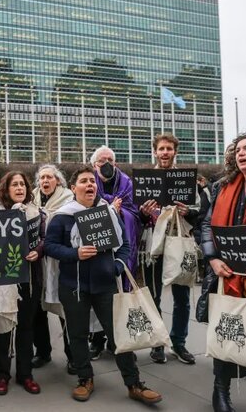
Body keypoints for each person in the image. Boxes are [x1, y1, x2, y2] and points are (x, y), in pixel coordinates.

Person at [44, 165, 162, 405]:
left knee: (118, 335)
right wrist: (75, 253)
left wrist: (116, 267)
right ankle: (84, 379)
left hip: (105, 285)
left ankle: (134, 383)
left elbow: (125, 245)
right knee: (77, 335)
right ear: (73, 187)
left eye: (92, 181)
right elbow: (50, 246)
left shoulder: (108, 212)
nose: (90, 185)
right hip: (74, 285)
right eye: (84, 181)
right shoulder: (62, 215)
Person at [201, 132, 246, 412]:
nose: (241, 153)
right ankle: (220, 392)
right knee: (226, 333)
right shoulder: (224, 186)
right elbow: (206, 225)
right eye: (238, 149)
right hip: (227, 276)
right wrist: (213, 258)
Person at [139, 133, 200, 365]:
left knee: (182, 296)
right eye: (161, 148)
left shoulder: (188, 180)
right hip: (155, 243)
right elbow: (138, 213)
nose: (165, 152)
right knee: (154, 296)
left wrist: (189, 212)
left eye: (169, 149)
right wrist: (144, 212)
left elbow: (199, 211)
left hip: (179, 241)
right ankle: (157, 344)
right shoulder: (147, 179)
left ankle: (179, 343)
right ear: (155, 151)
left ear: (175, 152)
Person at [0, 171, 43, 395]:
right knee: (4, 326)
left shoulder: (35, 212)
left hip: (29, 276)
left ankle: (25, 374)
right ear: (6, 189)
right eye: (14, 185)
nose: (19, 188)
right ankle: (1, 375)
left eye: (22, 184)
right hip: (4, 279)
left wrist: (38, 251)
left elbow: (44, 238)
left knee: (26, 327)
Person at [88, 146, 140, 359]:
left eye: (110, 159)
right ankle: (98, 339)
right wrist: (109, 207)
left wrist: (119, 212)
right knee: (99, 294)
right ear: (94, 165)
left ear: (116, 163)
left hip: (122, 246)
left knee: (120, 294)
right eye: (102, 160)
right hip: (98, 247)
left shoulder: (128, 183)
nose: (106, 163)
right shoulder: (89, 182)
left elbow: (135, 211)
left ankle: (118, 339)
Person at [30, 164, 74, 373]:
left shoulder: (68, 200)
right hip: (38, 263)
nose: (45, 181)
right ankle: (43, 351)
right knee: (38, 310)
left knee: (65, 310)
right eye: (42, 178)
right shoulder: (31, 200)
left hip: (59, 261)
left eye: (50, 177)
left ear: (58, 181)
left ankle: (73, 355)